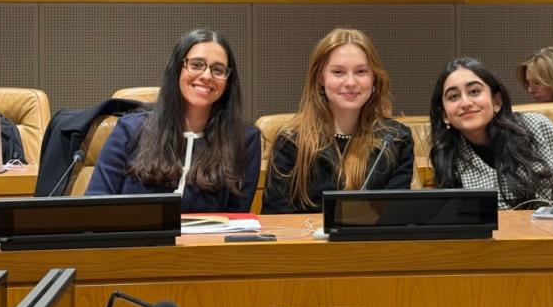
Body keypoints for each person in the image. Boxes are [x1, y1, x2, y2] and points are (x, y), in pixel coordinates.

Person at [86, 29, 261, 212]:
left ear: (227, 81)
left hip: (207, 241)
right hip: (134, 240)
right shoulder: (130, 130)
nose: (206, 76)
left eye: (218, 70)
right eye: (196, 65)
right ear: (178, 68)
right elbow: (95, 209)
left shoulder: (244, 141)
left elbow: (237, 222)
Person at [262, 28, 414, 213]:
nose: (350, 82)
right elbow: (276, 222)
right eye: (338, 72)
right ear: (321, 78)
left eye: (361, 71)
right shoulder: (290, 142)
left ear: (374, 78)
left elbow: (394, 216)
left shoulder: (396, 140)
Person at [429, 57, 553, 209]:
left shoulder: (536, 127)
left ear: (497, 101)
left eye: (474, 91)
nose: (465, 102)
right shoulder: (446, 153)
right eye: (453, 96)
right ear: (445, 114)